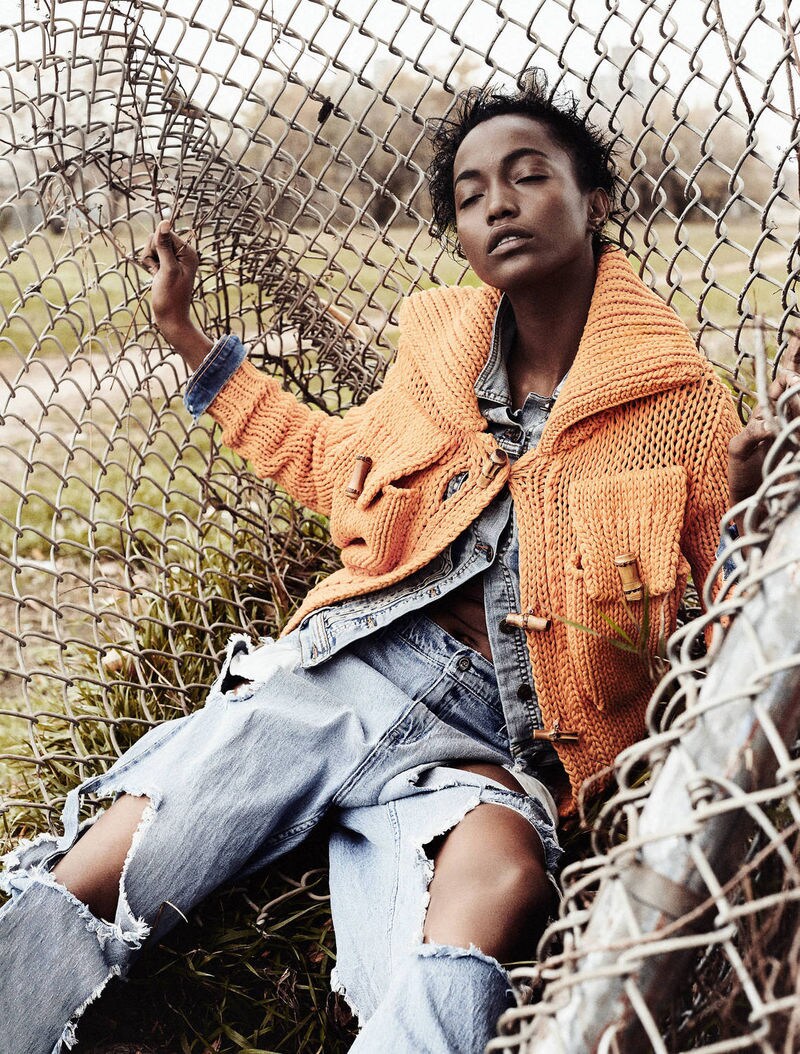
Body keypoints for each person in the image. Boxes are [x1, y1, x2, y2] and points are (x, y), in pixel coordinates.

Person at [0, 71, 757, 1054]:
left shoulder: (684, 407)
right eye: (471, 194)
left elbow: (732, 618)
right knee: (118, 862)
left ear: (597, 200)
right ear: (459, 233)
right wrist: (188, 339)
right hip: (345, 674)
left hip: (499, 743)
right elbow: (328, 461)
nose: (498, 203)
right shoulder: (436, 361)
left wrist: (755, 507)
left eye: (528, 175)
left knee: (498, 889)